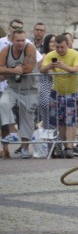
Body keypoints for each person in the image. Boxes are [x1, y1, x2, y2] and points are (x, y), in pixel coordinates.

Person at [40, 34, 78, 158]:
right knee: (60, 122)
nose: (59, 50)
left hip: (72, 91)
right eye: (57, 47)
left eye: (62, 47)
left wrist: (64, 67)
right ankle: (65, 146)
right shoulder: (51, 55)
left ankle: (69, 147)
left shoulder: (75, 54)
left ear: (67, 45)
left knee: (71, 121)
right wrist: (49, 66)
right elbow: (42, 69)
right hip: (56, 92)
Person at [0, 29, 39, 159]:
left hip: (30, 89)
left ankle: (25, 148)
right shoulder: (6, 50)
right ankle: (12, 132)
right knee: (3, 103)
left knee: (27, 117)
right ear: (12, 40)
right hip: (12, 87)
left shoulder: (30, 48)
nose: (21, 43)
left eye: (23, 40)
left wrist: (6, 71)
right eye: (18, 40)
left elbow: (27, 68)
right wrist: (13, 70)